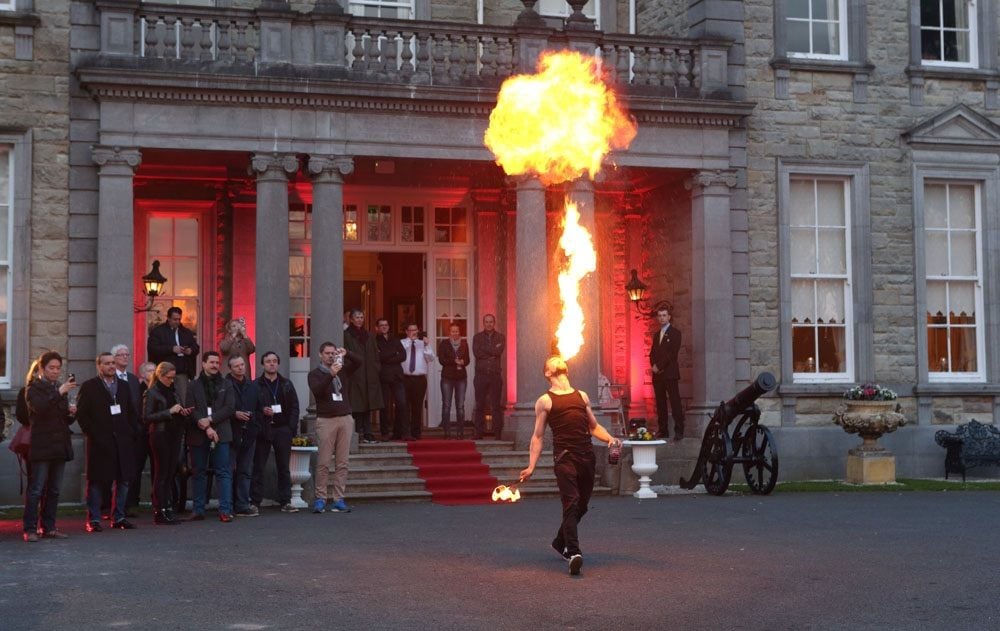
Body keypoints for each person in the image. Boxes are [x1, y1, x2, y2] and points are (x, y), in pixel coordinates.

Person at [520, 356, 620, 576]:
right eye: (552, 361)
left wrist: (610, 439)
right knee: (571, 503)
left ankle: (559, 541)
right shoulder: (545, 401)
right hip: (565, 458)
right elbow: (537, 437)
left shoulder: (581, 395)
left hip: (586, 456)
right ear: (548, 373)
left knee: (582, 506)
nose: (558, 359)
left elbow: (593, 427)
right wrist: (531, 466)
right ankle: (574, 553)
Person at [76, 352, 138, 532]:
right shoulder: (90, 386)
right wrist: (93, 434)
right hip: (100, 442)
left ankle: (119, 516)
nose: (111, 366)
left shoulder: (124, 386)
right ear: (99, 366)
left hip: (123, 441)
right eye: (107, 363)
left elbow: (132, 411)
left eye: (113, 363)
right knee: (96, 481)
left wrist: (132, 431)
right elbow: (82, 414)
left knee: (123, 480)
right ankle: (94, 519)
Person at [22, 351, 78, 542]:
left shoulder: (58, 389)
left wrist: (71, 413)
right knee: (36, 488)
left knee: (54, 489)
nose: (55, 372)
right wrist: (59, 392)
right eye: (51, 368)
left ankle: (49, 527)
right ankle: (30, 528)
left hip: (59, 445)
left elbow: (63, 419)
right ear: (41, 368)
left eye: (58, 368)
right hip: (42, 444)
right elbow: (40, 409)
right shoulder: (33, 388)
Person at [308, 341, 360, 513]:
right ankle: (321, 498)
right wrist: (330, 374)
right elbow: (318, 391)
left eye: (333, 353)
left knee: (342, 463)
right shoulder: (315, 374)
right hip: (326, 420)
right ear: (320, 355)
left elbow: (359, 362)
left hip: (345, 418)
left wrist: (348, 353)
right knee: (323, 463)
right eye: (327, 353)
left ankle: (339, 498)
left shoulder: (342, 370)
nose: (331, 356)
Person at [185, 351, 235, 522]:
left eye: (217, 362)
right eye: (211, 362)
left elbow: (229, 408)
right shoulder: (193, 385)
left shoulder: (226, 384)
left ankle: (225, 510)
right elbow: (190, 408)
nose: (215, 365)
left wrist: (211, 420)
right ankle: (198, 509)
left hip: (221, 433)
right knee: (198, 472)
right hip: (198, 433)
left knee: (223, 472)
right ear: (204, 364)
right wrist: (205, 425)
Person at [251, 351, 300, 513]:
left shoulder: (286, 384)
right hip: (263, 429)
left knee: (284, 467)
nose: (271, 364)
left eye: (274, 361)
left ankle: (285, 501)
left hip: (282, 429)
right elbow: (250, 407)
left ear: (278, 364)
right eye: (268, 361)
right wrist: (260, 413)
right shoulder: (256, 385)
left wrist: (290, 428)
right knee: (258, 466)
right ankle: (255, 501)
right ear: (262, 364)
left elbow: (294, 407)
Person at [144, 362, 190, 525]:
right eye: (169, 378)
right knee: (161, 473)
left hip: (174, 433)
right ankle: (159, 509)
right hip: (160, 435)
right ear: (160, 376)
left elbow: (176, 407)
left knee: (170, 473)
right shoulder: (152, 392)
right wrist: (169, 412)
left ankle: (168, 508)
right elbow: (147, 417)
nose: (172, 380)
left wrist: (182, 411)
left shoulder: (173, 390)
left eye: (173, 377)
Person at [109, 345, 146, 513]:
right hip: (114, 430)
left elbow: (136, 404)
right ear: (114, 358)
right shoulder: (109, 378)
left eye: (127, 354)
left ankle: (129, 504)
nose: (125, 357)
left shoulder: (132, 379)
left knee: (132, 468)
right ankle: (110, 505)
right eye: (121, 355)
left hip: (132, 431)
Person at [344, 308, 384, 444]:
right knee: (356, 405)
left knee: (367, 405)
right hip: (355, 374)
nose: (360, 319)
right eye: (357, 317)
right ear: (351, 319)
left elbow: (376, 354)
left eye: (361, 317)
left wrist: (376, 368)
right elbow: (345, 355)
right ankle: (357, 432)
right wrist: (350, 370)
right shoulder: (346, 335)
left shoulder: (369, 335)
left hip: (370, 374)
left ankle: (368, 432)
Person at [227, 355, 260, 517]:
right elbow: (221, 408)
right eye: (237, 366)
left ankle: (242, 504)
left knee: (245, 470)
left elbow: (258, 406)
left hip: (249, 433)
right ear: (230, 368)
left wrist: (255, 422)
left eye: (242, 365)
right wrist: (235, 414)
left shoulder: (252, 385)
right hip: (230, 433)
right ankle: (228, 504)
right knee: (228, 470)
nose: (241, 368)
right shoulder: (225, 385)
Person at [649, 304, 685, 440]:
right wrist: (653, 365)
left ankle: (679, 430)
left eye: (664, 315)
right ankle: (663, 430)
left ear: (669, 317)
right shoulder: (656, 335)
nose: (662, 318)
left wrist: (659, 366)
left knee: (675, 401)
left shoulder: (676, 333)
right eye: (659, 316)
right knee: (660, 403)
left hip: (670, 373)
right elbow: (652, 353)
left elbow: (672, 354)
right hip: (657, 375)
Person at [147, 306, 200, 398]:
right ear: (168, 318)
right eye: (175, 319)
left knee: (182, 399)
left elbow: (196, 347)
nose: (177, 322)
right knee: (164, 398)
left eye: (179, 319)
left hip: (182, 373)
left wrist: (190, 351)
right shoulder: (158, 332)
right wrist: (171, 349)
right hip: (164, 373)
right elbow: (152, 348)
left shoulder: (186, 332)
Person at [375, 317, 410, 441]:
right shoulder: (375, 340)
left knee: (402, 403)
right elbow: (378, 357)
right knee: (384, 405)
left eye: (386, 325)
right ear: (377, 328)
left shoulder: (395, 339)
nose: (384, 327)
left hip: (397, 375)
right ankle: (385, 433)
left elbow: (403, 356)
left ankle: (400, 432)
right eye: (381, 325)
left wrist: (388, 357)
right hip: (383, 376)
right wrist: (392, 353)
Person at [472, 314, 506, 439]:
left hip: (495, 375)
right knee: (480, 404)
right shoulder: (477, 337)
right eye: (486, 322)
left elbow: (498, 352)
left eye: (491, 321)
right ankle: (479, 433)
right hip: (481, 375)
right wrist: (492, 351)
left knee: (496, 405)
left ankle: (498, 433)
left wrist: (486, 350)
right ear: (483, 323)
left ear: (494, 323)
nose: (489, 324)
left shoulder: (501, 337)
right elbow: (477, 353)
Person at [400, 323, 435, 440]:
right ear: (406, 332)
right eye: (411, 330)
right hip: (405, 378)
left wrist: (426, 345)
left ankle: (416, 432)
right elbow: (401, 353)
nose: (413, 332)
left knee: (417, 406)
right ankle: (405, 432)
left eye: (415, 330)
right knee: (404, 406)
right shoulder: (402, 343)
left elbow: (431, 358)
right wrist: (410, 341)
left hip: (419, 379)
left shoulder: (423, 344)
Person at [437, 322, 470, 439]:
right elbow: (441, 360)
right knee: (446, 405)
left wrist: (463, 362)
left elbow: (467, 359)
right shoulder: (444, 344)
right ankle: (447, 432)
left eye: (456, 331)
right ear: (449, 332)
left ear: (459, 332)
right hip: (447, 377)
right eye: (452, 331)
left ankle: (460, 433)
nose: (455, 333)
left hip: (461, 378)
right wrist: (454, 361)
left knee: (460, 406)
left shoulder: (464, 344)